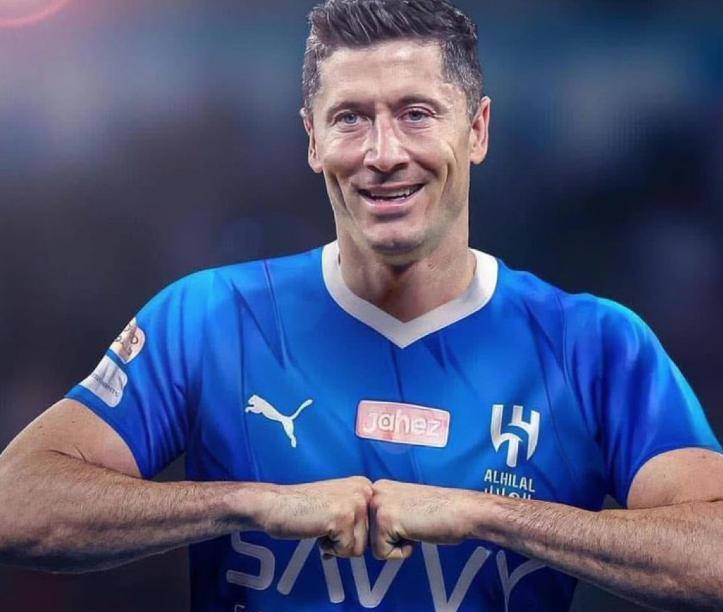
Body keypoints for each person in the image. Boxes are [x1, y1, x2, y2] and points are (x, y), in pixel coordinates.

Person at [1, 0, 722, 610]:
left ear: (476, 130)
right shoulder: (210, 318)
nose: (382, 153)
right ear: (312, 139)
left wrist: (488, 516)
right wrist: (249, 502)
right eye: (350, 118)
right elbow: (16, 502)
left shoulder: (594, 344)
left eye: (416, 113)